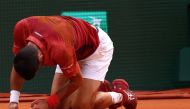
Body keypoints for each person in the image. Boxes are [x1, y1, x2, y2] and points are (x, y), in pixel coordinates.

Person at [9, 16, 137, 109]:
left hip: (96, 48)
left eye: (40, 66)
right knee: (58, 106)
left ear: (41, 57)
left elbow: (76, 81)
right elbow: (18, 65)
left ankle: (120, 94)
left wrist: (49, 102)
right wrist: (13, 101)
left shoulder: (60, 49)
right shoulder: (22, 28)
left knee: (79, 106)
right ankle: (95, 89)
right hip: (72, 45)